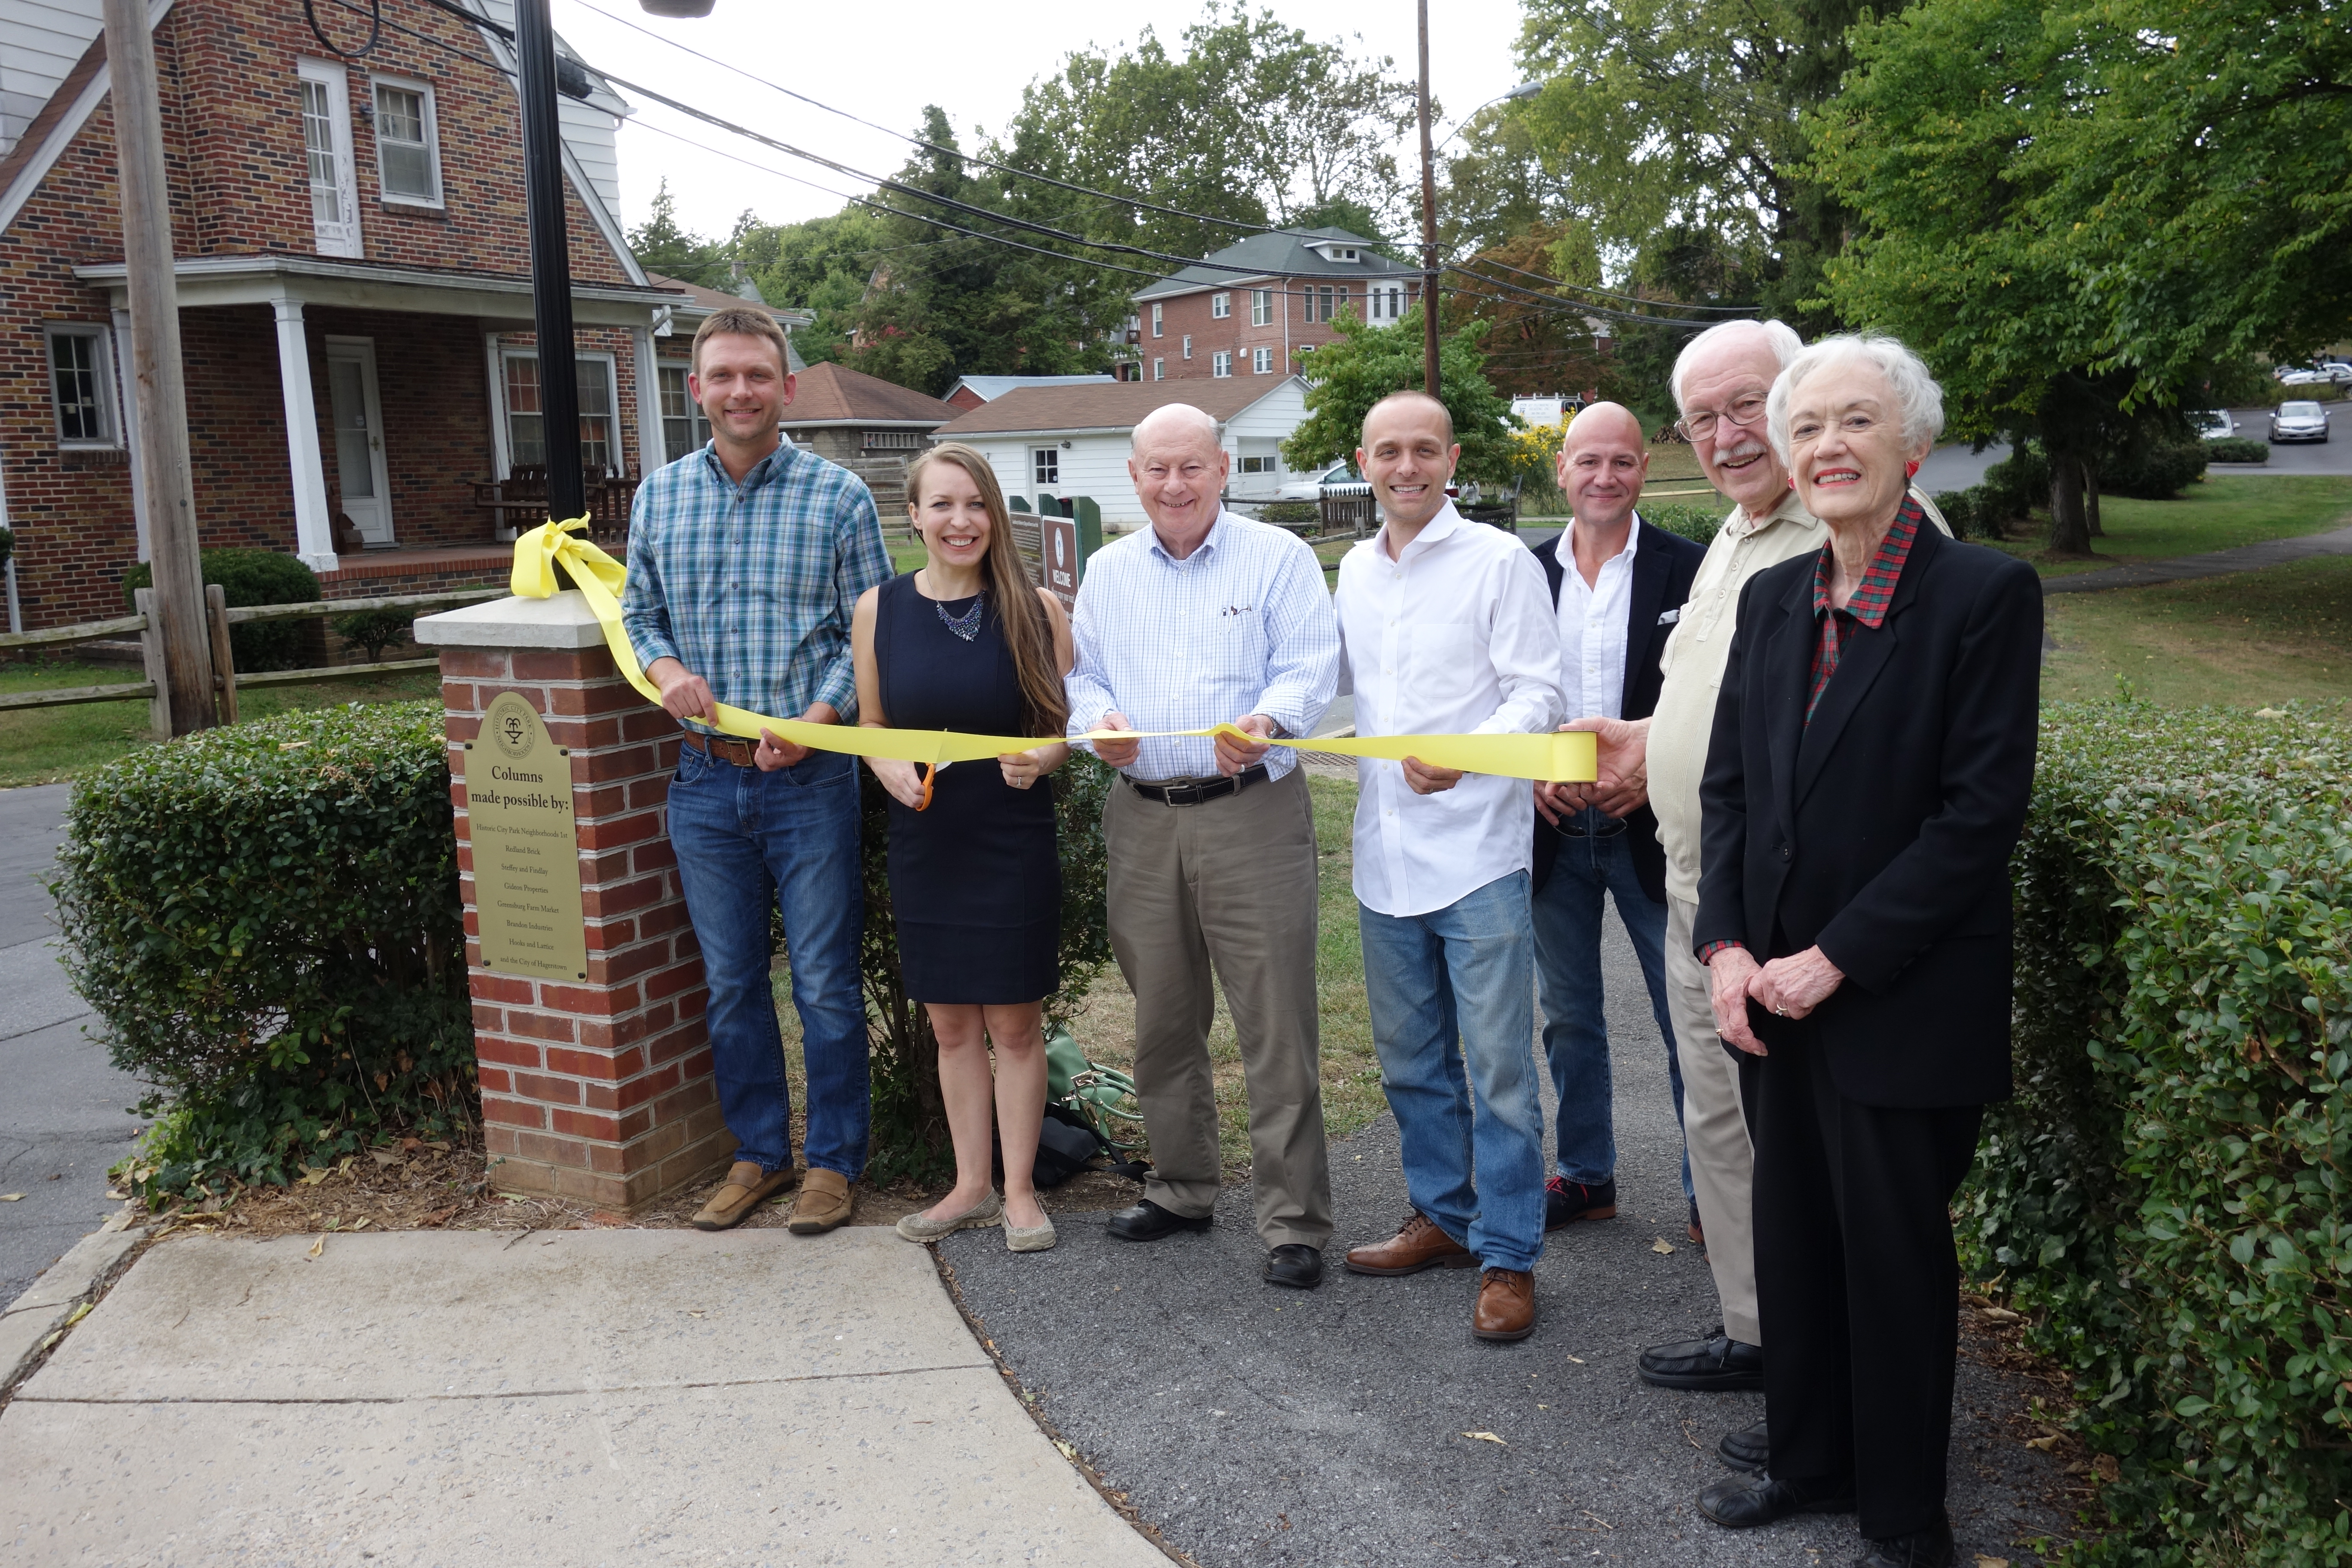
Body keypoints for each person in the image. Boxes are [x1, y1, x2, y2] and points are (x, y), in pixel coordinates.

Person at [1580, 320, 1955, 1478]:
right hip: (1710, 895)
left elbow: (1890, 745)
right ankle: (1763, 1333)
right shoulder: (1740, 540)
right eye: (1704, 418)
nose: (1730, 434)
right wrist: (1641, 740)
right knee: (1726, 1132)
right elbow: (1726, 715)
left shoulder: (1866, 530)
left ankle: (1823, 1366)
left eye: (1752, 405)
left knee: (1807, 1157)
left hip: (1809, 921)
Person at [1690, 334, 2041, 1568]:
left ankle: (1904, 1512)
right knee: (1792, 1234)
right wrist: (1728, 946)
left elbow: (1979, 814)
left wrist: (1835, 957)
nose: (1828, 447)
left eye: (1856, 423)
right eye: (1809, 428)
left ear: (1913, 446)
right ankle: (1809, 1459)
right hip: (1771, 996)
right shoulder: (1774, 597)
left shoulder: (1983, 596)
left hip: (1897, 995)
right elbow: (1729, 791)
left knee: (1892, 1260)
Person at [620, 305, 892, 1236]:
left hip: (808, 780)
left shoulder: (840, 496)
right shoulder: (659, 496)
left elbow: (868, 635)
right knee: (732, 981)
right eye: (723, 376)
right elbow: (639, 613)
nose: (741, 391)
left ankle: (835, 1163)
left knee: (821, 979)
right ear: (696, 389)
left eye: (758, 376)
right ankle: (759, 1155)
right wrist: (665, 673)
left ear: (786, 386)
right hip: (703, 782)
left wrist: (815, 725)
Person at [1065, 402, 1341, 1289]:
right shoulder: (1107, 572)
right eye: (1157, 470)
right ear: (1134, 476)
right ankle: (1183, 1186)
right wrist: (1093, 720)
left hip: (1249, 813)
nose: (1174, 485)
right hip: (1142, 812)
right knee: (1162, 1018)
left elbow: (1309, 664)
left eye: (1192, 468)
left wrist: (1270, 719)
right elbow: (1084, 673)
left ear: (1223, 468)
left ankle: (1292, 1218)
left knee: (1275, 1021)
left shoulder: (1280, 559)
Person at [1335, 391, 1564, 1342]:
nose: (1407, 467)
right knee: (1412, 1063)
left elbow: (1539, 693)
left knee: (1502, 1069)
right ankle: (1444, 1216)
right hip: (1385, 854)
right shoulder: (1351, 568)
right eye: (1389, 451)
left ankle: (1510, 1255)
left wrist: (1469, 748)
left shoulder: (1498, 561)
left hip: (1477, 855)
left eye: (1424, 450)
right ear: (1363, 463)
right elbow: (1338, 688)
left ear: (1452, 459)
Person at [859, 443, 1074, 1255]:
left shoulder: (1037, 609)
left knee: (1015, 1026)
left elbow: (1063, 731)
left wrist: (1045, 757)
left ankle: (1020, 1192)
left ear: (995, 515)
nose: (961, 521)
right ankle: (970, 1185)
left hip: (1009, 835)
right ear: (914, 515)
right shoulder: (879, 608)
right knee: (951, 1024)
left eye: (976, 504)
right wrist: (885, 768)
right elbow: (873, 724)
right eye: (942, 505)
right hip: (928, 835)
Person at [1525, 403, 1705, 1237]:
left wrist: (1657, 768)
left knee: (1688, 1019)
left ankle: (1712, 1194)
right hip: (1552, 830)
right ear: (1560, 469)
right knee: (1568, 1018)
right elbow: (1499, 694)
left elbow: (1719, 696)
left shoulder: (1693, 572)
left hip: (1653, 829)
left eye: (1623, 462)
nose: (1605, 477)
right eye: (1588, 462)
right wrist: (1528, 769)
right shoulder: (1522, 573)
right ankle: (1588, 1175)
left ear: (1645, 469)